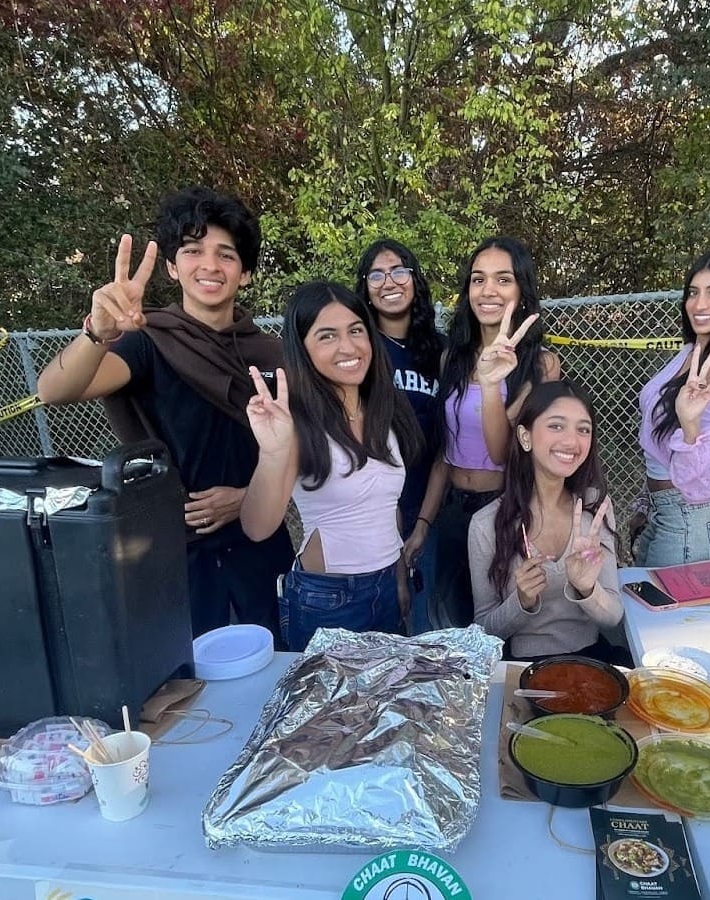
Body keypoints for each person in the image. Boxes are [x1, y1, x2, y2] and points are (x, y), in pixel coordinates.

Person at [36, 186, 294, 642]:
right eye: (194, 251)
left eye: (226, 255)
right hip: (177, 548)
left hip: (259, 542)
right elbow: (54, 391)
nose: (210, 265)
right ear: (173, 267)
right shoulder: (146, 342)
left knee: (275, 658)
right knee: (193, 680)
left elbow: (303, 445)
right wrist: (99, 331)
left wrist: (245, 495)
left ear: (246, 273)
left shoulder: (272, 354)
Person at [239, 281, 424, 651]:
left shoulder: (385, 409)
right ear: (303, 349)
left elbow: (389, 510)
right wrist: (274, 452)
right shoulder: (295, 420)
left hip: (386, 583)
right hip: (327, 598)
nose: (348, 347)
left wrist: (400, 580)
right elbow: (257, 527)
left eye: (356, 330)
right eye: (327, 336)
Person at [426, 236, 561, 628]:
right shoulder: (450, 357)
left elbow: (504, 452)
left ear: (522, 290)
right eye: (477, 279)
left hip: (502, 508)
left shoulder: (542, 366)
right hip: (453, 508)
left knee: (499, 624)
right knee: (452, 621)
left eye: (503, 279)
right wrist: (423, 525)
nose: (488, 290)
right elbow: (444, 450)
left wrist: (491, 383)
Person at [468, 380, 626, 663]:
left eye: (583, 429)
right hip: (522, 666)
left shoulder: (595, 508)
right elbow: (484, 630)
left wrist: (587, 588)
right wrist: (522, 600)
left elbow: (613, 617)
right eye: (556, 425)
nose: (571, 441)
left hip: (589, 659)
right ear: (525, 437)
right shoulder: (485, 524)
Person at [631, 247, 710, 567]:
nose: (699, 304)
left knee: (674, 617)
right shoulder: (693, 349)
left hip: (691, 518)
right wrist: (647, 504)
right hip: (665, 510)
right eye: (693, 292)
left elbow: (709, 477)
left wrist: (690, 426)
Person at [354, 239, 444, 635]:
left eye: (398, 271)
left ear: (414, 279)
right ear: (365, 288)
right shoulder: (358, 350)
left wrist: (422, 524)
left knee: (429, 625)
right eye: (376, 274)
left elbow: (449, 445)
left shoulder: (440, 350)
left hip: (432, 505)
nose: (388, 281)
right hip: (373, 512)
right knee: (384, 625)